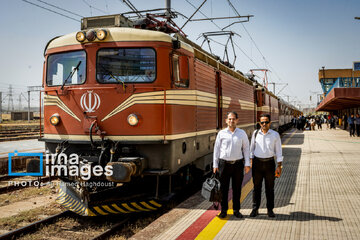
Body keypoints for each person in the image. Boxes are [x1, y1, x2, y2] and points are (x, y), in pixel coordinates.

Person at [213, 111, 250, 219]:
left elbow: (246, 149)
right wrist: (215, 165)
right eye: (229, 119)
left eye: (233, 119)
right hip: (224, 164)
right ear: (226, 121)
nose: (231, 121)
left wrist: (247, 164)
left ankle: (236, 210)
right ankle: (223, 211)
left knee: (237, 189)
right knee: (223, 189)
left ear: (237, 120)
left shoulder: (242, 133)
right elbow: (216, 149)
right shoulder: (221, 133)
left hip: (238, 165)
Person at [249, 113, 283, 218]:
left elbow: (279, 151)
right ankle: (255, 209)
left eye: (266, 122)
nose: (264, 124)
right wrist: (250, 162)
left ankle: (270, 210)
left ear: (270, 123)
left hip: (269, 164)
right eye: (262, 122)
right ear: (259, 123)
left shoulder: (275, 135)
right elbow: (251, 150)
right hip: (257, 164)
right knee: (256, 188)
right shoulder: (255, 134)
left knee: (270, 188)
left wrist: (279, 166)